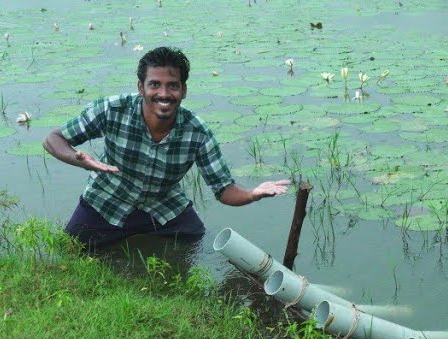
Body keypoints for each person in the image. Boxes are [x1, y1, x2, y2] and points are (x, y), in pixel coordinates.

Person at [43, 46, 290, 249]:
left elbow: (224, 190)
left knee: (197, 246)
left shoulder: (198, 133)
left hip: (162, 206)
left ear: (183, 90)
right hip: (106, 202)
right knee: (70, 251)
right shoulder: (111, 110)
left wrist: (253, 194)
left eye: (172, 85)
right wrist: (79, 159)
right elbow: (53, 139)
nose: (164, 94)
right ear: (141, 87)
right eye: (154, 85)